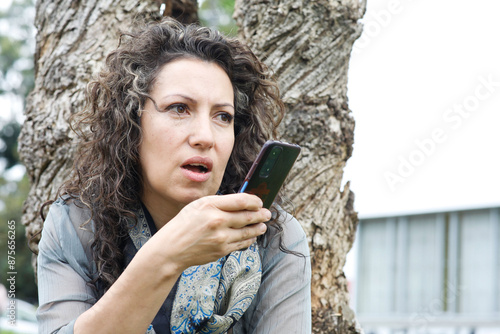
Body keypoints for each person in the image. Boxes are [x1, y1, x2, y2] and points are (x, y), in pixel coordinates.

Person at [36, 18, 311, 334]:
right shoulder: (75, 223)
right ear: (132, 121)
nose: (204, 137)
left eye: (223, 116)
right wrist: (165, 256)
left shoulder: (274, 236)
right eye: (180, 108)